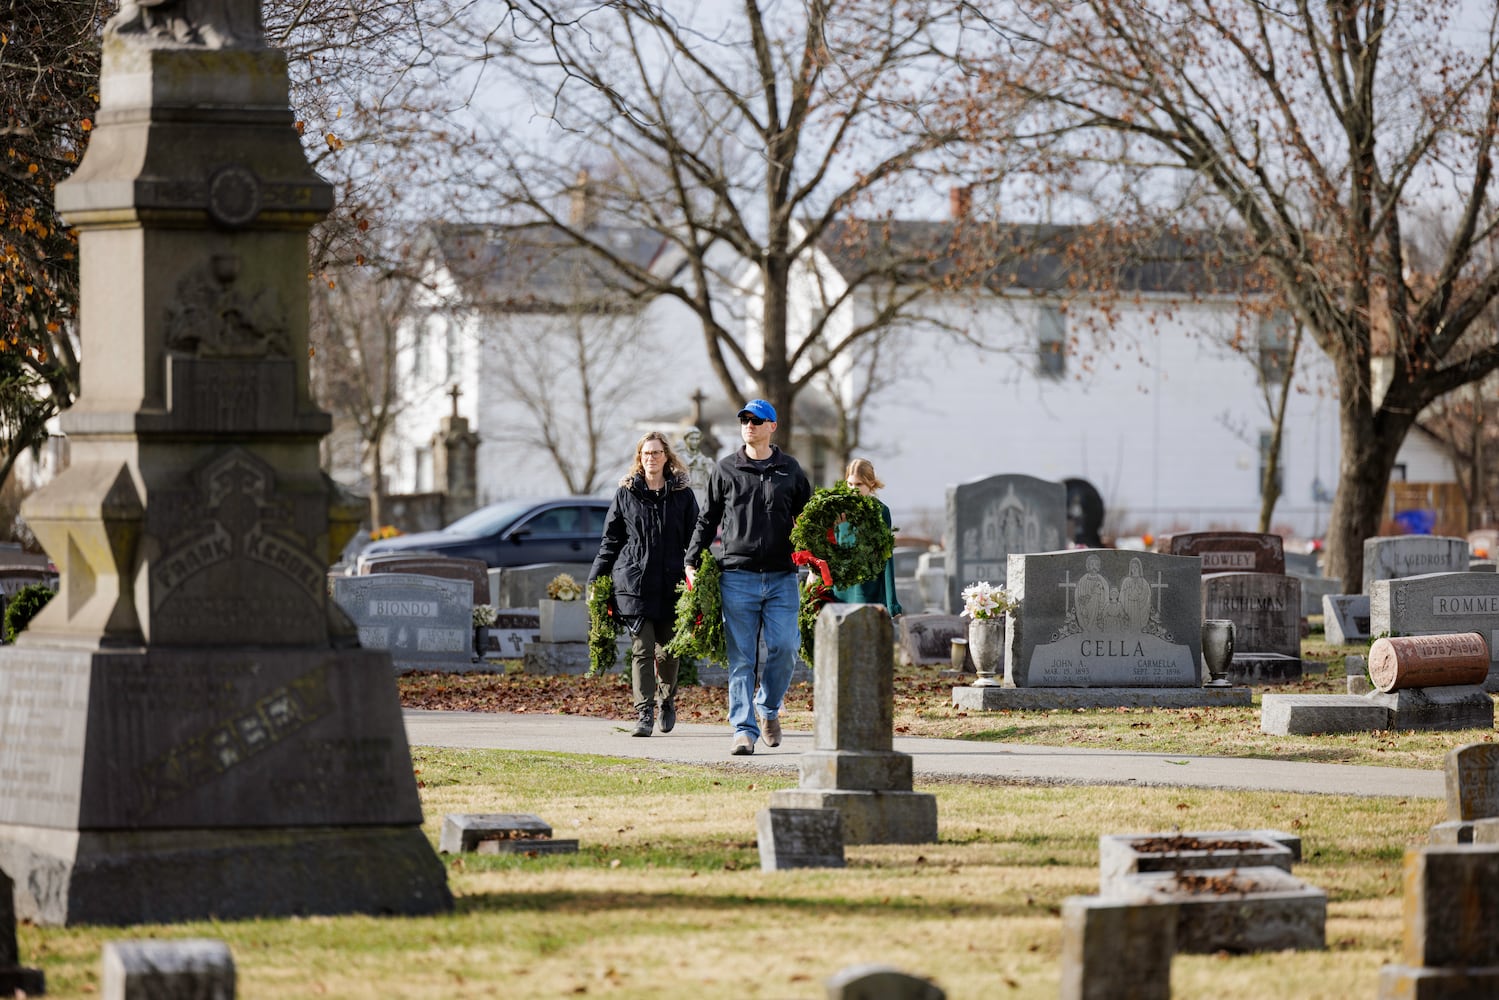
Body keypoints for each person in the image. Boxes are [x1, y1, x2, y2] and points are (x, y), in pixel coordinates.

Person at [685, 398, 811, 756]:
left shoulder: (791, 470)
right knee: (741, 658)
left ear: (773, 426)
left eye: (757, 420)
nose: (749, 425)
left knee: (785, 647)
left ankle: (768, 707)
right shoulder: (726, 470)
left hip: (782, 576)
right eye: (744, 420)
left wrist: (819, 559)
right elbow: (707, 519)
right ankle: (743, 729)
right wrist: (691, 559)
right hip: (737, 575)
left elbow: (809, 518)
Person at [590, 431, 700, 737]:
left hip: (672, 585)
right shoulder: (626, 493)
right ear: (640, 458)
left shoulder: (682, 494)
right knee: (642, 649)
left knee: (669, 652)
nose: (650, 458)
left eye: (656, 452)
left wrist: (699, 572)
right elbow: (611, 540)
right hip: (634, 584)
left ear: (666, 456)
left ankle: (666, 699)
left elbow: (696, 538)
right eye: (645, 453)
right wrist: (595, 578)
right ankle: (643, 713)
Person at [832, 458, 903, 619]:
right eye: (850, 484)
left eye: (859, 484)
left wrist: (892, 603)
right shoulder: (837, 510)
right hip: (840, 589)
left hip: (868, 588)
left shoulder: (880, 511)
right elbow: (829, 548)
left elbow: (886, 556)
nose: (853, 489)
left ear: (870, 483)